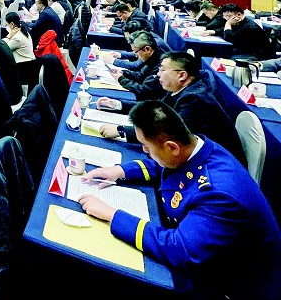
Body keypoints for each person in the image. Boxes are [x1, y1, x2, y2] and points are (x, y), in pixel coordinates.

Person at [79, 101, 281, 300]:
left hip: (234, 283)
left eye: (147, 147)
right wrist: (120, 170)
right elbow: (164, 164)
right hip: (211, 254)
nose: (146, 151)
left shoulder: (218, 194)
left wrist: (113, 216)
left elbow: (179, 249)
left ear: (172, 147)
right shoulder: (195, 146)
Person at [97, 51, 247, 164]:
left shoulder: (195, 99)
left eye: (163, 70)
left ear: (182, 75)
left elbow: (171, 133)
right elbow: (156, 108)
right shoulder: (180, 89)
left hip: (215, 161)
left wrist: (121, 131)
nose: (158, 74)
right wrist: (118, 104)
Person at [108, 31, 164, 100]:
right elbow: (141, 75)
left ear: (147, 49)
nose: (136, 55)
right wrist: (123, 73)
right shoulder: (152, 56)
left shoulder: (161, 65)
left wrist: (121, 79)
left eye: (136, 52)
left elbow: (144, 90)